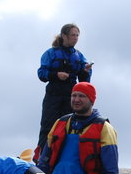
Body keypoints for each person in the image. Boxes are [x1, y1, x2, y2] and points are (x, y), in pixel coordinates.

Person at [35, 23, 93, 160]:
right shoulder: (51, 53)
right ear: (64, 36)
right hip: (53, 95)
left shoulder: (79, 56)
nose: (76, 38)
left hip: (70, 97)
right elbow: (41, 74)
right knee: (48, 127)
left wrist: (85, 71)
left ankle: (66, 157)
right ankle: (42, 158)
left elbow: (84, 81)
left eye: (77, 35)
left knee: (70, 126)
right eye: (73, 35)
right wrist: (56, 75)